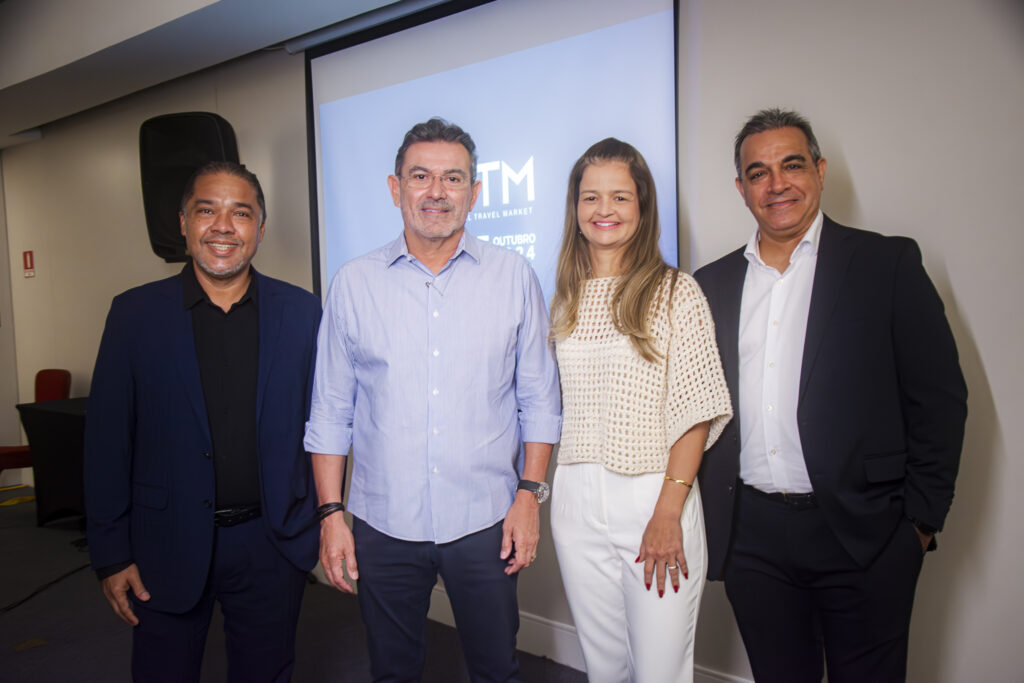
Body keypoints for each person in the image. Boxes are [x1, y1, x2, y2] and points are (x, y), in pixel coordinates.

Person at [693, 108, 968, 682]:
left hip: (865, 533)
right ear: (741, 189)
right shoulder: (710, 284)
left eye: (792, 165)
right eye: (759, 172)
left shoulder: (886, 264)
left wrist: (918, 526)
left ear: (819, 171)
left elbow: (939, 400)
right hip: (752, 539)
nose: (777, 184)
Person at [304, 117, 561, 682]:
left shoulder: (514, 277)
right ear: (395, 188)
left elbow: (539, 399)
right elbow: (330, 411)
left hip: (487, 520)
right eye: (421, 176)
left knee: (496, 671)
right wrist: (330, 515)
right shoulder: (353, 283)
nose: (437, 192)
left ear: (475, 191)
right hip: (383, 522)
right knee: (392, 672)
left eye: (453, 178)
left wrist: (529, 497)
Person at [84, 161, 321, 682]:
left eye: (241, 213)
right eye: (207, 210)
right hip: (163, 544)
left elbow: (324, 424)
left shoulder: (303, 314)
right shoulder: (134, 315)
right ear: (184, 223)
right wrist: (111, 554)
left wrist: (318, 520)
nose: (223, 226)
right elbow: (106, 442)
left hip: (271, 544)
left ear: (261, 228)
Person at [548, 138, 733, 682]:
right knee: (604, 670)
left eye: (620, 197)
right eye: (590, 197)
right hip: (576, 498)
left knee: (659, 673)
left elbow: (697, 410)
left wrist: (668, 512)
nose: (603, 209)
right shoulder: (565, 299)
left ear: (643, 206)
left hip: (654, 496)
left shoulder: (677, 292)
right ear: (575, 208)